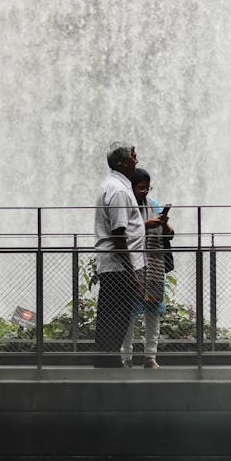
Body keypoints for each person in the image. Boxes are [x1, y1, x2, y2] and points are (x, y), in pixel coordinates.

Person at [94, 142, 145, 368]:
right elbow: (118, 233)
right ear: (123, 162)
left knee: (110, 318)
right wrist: (131, 272)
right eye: (134, 156)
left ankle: (106, 365)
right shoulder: (119, 191)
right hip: (119, 268)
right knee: (116, 320)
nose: (137, 160)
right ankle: (109, 369)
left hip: (115, 266)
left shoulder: (113, 185)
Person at [121, 168, 173, 369]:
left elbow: (169, 235)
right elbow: (122, 232)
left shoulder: (153, 205)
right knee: (130, 314)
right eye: (141, 188)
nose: (145, 192)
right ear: (131, 188)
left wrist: (165, 224)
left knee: (153, 312)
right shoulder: (126, 206)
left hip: (154, 266)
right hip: (133, 266)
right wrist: (145, 225)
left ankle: (150, 356)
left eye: (147, 188)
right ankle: (126, 357)